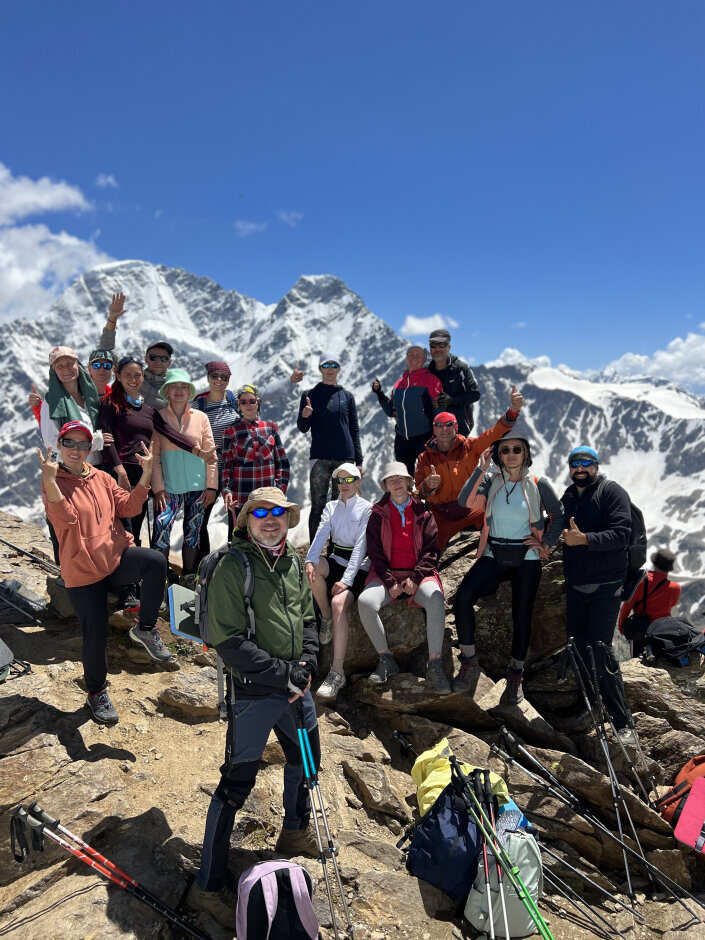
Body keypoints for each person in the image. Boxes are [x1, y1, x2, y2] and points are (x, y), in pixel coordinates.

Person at [188, 487, 319, 928]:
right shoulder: (233, 564)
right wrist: (287, 676)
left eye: (278, 512)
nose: (270, 518)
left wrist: (309, 663)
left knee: (306, 759)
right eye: (260, 511)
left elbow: (306, 618)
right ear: (246, 520)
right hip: (254, 692)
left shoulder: (292, 562)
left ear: (287, 519)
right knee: (236, 784)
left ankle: (295, 830)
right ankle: (207, 886)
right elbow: (228, 641)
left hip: (294, 687)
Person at [39, 421, 171, 725]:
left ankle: (146, 628)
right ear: (59, 446)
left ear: (90, 448)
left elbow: (128, 508)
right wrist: (50, 483)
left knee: (154, 562)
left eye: (82, 444)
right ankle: (96, 692)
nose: (75, 450)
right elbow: (67, 522)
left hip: (113, 559)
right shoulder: (53, 482)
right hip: (84, 573)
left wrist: (148, 473)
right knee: (95, 636)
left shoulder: (101, 477)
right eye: (69, 443)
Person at [453, 429, 562, 704]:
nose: (511, 454)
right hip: (494, 552)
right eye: (505, 450)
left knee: (522, 614)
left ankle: (515, 675)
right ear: (498, 456)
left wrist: (545, 544)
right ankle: (469, 661)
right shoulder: (491, 481)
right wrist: (480, 469)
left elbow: (558, 515)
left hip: (526, 557)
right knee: (463, 598)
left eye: (517, 449)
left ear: (526, 453)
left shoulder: (538, 482)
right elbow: (464, 502)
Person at [560, 445, 635, 743]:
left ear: (596, 466)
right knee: (577, 647)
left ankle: (623, 721)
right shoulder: (569, 496)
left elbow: (622, 534)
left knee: (600, 649)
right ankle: (590, 704)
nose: (580, 468)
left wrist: (585, 539)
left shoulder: (611, 492)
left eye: (586, 463)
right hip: (577, 584)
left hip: (606, 585)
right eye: (575, 463)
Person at [358, 461, 451, 694]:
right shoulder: (377, 515)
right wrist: (390, 582)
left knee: (436, 599)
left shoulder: (424, 512)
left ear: (410, 483)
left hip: (418, 575)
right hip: (386, 576)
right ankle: (386, 659)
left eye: (400, 479)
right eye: (391, 480)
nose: (396, 483)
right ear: (386, 486)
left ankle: (435, 664)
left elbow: (432, 551)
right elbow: (375, 553)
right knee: (365, 602)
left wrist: (416, 579)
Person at [99, 357, 208, 546]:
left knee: (136, 521)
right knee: (119, 523)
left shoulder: (148, 409)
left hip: (142, 473)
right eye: (128, 375)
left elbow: (169, 432)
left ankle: (133, 568)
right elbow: (107, 441)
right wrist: (120, 471)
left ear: (143, 377)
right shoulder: (110, 405)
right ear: (118, 376)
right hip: (118, 472)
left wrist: (195, 450)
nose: (133, 379)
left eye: (137, 375)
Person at [414, 386, 524, 552]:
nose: (444, 429)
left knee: (496, 519)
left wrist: (513, 412)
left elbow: (494, 434)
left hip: (470, 511)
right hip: (441, 515)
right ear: (434, 429)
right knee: (429, 550)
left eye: (448, 424)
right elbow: (421, 492)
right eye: (439, 425)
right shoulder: (425, 458)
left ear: (456, 427)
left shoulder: (470, 447)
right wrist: (428, 485)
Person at [305, 463, 372, 703]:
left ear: (357, 482)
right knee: (311, 573)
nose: (343, 485)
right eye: (339, 481)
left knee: (340, 603)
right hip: (336, 558)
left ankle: (337, 672)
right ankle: (325, 617)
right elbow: (321, 533)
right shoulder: (331, 507)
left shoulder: (367, 509)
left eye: (348, 480)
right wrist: (310, 560)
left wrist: (346, 581)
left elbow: (361, 549)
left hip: (358, 567)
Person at [151, 370, 217, 575]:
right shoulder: (158, 419)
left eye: (183, 387)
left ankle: (189, 576)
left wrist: (212, 487)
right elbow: (154, 457)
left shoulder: (201, 418)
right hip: (169, 488)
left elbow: (211, 455)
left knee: (193, 533)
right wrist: (158, 489)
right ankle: (160, 579)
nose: (179, 391)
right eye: (174, 386)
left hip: (198, 487)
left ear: (189, 392)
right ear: (167, 391)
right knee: (161, 530)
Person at [297, 355, 363, 541]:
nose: (330, 368)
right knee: (318, 505)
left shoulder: (347, 396)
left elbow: (354, 429)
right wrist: (305, 415)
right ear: (320, 369)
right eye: (326, 365)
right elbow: (302, 428)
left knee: (341, 503)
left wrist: (359, 461)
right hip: (320, 458)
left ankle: (336, 550)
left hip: (345, 457)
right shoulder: (309, 395)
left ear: (339, 369)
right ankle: (314, 553)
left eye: (334, 365)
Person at [221, 383, 291, 532]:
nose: (248, 405)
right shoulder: (231, 432)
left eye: (252, 401)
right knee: (239, 541)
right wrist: (226, 491)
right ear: (238, 405)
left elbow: (283, 464)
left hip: (269, 498)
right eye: (243, 402)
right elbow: (226, 466)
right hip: (240, 498)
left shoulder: (271, 428)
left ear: (258, 403)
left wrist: (280, 490)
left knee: (268, 537)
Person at [192, 362, 240, 555]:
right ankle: (202, 565)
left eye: (224, 377)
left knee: (236, 517)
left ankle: (235, 559)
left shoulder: (234, 400)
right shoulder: (198, 404)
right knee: (201, 519)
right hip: (206, 469)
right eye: (215, 376)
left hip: (231, 468)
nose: (219, 380)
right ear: (208, 378)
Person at [371, 345, 442, 475]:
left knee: (427, 476)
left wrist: (436, 436)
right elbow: (390, 411)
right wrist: (379, 393)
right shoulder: (399, 383)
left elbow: (440, 409)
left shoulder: (431, 380)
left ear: (424, 359)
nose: (414, 357)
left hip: (424, 438)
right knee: (405, 478)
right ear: (406, 359)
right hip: (402, 439)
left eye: (418, 355)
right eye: (411, 354)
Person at [40, 346, 105, 463]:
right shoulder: (51, 402)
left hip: (97, 467)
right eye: (60, 366)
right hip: (71, 470)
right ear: (54, 372)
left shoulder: (90, 397)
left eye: (70, 363)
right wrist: (94, 442)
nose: (66, 369)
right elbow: (51, 441)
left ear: (78, 365)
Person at [618, 548, 681, 639]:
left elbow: (627, 606)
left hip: (642, 629)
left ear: (654, 563)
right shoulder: (675, 588)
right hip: (663, 631)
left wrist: (622, 627)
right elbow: (672, 604)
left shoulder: (641, 581)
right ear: (669, 568)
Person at [427, 328, 480, 436]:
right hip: (436, 431)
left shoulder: (461, 368)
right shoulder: (427, 371)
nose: (437, 349)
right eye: (433, 346)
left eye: (441, 345)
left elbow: (475, 394)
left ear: (448, 347)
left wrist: (451, 400)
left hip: (460, 429)